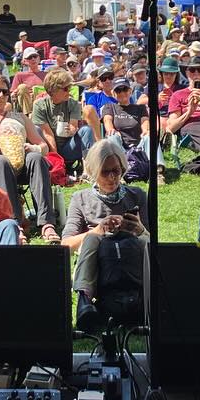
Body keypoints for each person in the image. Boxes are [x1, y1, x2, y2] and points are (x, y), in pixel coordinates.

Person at [63, 139, 148, 330]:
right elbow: (66, 245)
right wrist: (97, 231)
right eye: (105, 172)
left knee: (142, 239)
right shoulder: (80, 199)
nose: (112, 178)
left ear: (122, 169)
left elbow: (152, 242)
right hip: (98, 262)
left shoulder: (137, 196)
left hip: (132, 255)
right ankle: (84, 300)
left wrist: (139, 229)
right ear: (94, 171)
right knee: (92, 239)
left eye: (116, 171)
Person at [0, 78, 61, 242]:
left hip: (21, 162)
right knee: (0, 161)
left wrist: (33, 148)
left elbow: (43, 146)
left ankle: (46, 223)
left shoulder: (19, 117)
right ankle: (13, 223)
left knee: (36, 158)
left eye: (5, 92)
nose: (1, 96)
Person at [31, 69, 97, 168]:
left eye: (70, 87)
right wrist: (57, 160)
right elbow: (47, 134)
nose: (69, 91)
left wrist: (72, 130)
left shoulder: (73, 103)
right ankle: (54, 165)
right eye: (66, 88)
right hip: (48, 149)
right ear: (53, 90)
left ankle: (89, 168)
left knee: (86, 130)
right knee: (36, 129)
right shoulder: (40, 105)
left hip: (68, 147)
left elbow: (73, 125)